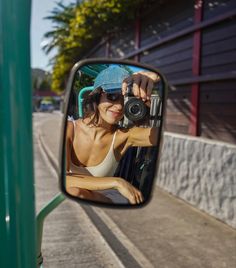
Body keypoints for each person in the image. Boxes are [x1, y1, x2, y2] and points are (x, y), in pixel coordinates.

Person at [66, 65, 159, 204]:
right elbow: (63, 177)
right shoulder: (70, 128)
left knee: (76, 192)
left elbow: (163, 137)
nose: (120, 106)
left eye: (126, 99)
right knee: (75, 192)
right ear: (97, 96)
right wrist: (117, 182)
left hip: (108, 202)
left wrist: (158, 82)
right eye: (113, 96)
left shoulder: (123, 136)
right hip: (77, 201)